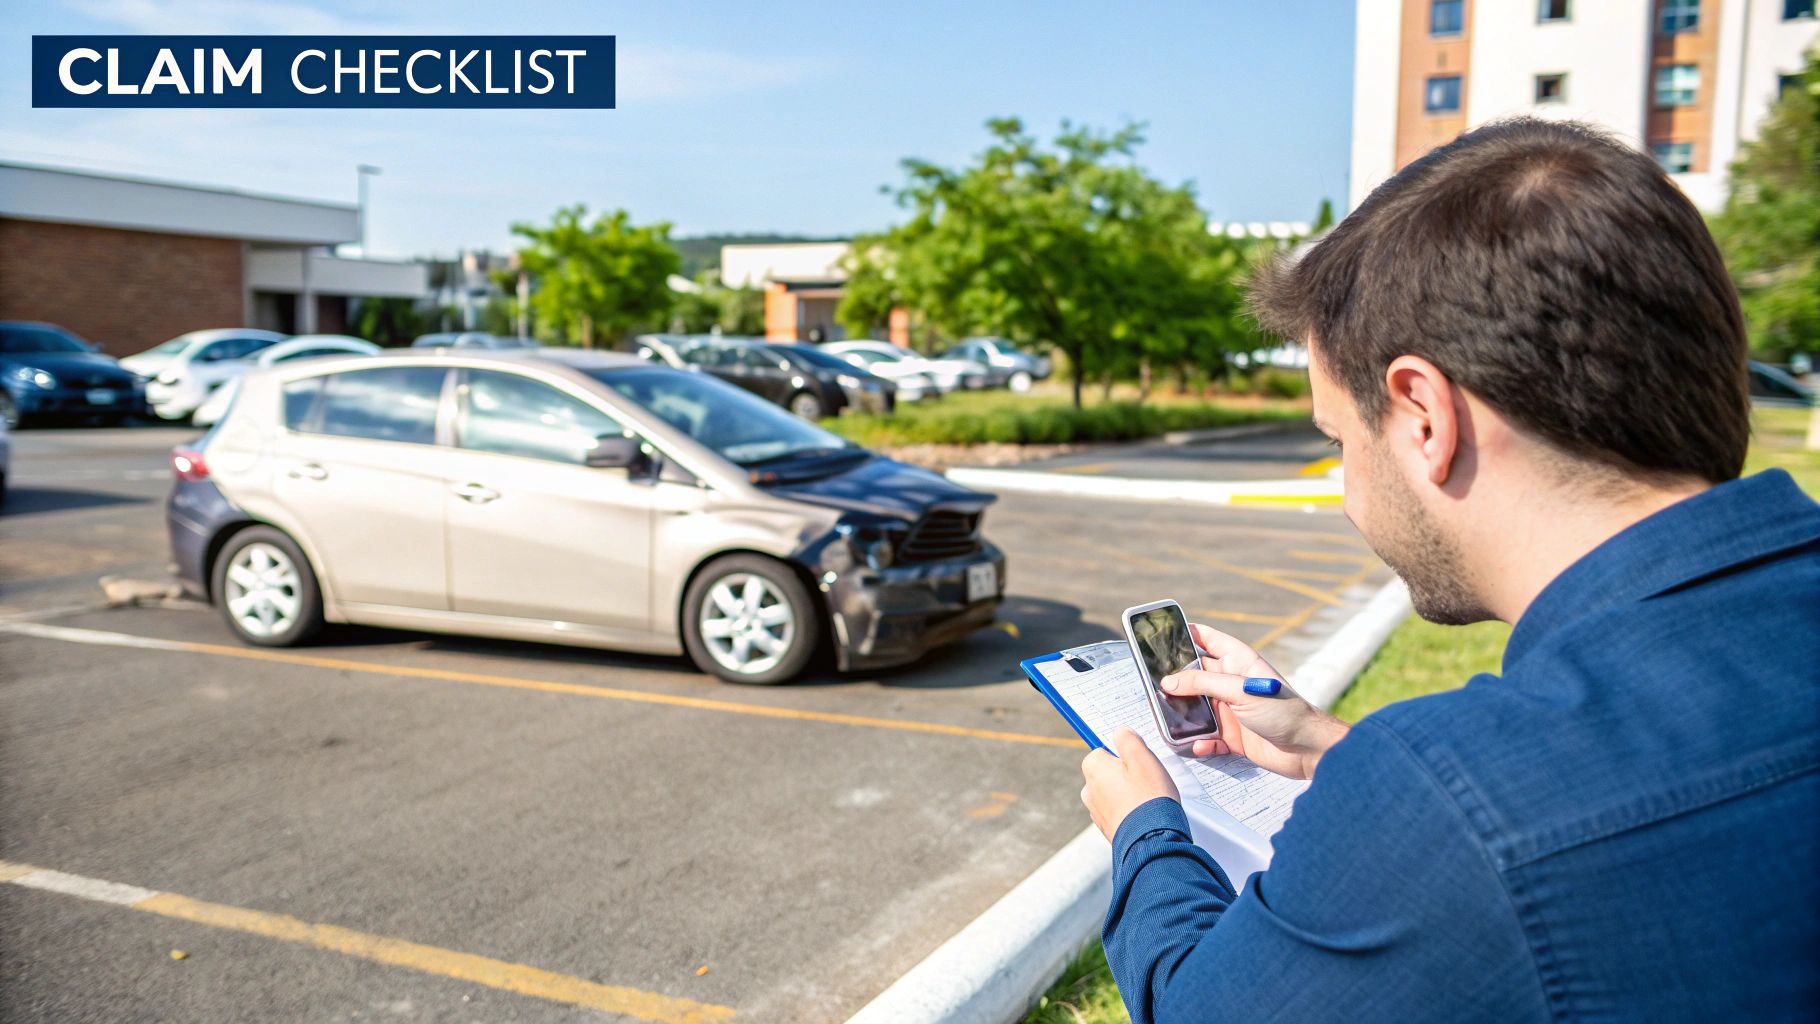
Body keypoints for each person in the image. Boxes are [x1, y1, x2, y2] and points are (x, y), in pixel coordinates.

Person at [1078, 117, 1819, 1022]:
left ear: (1424, 417)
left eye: (1339, 440)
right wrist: (1324, 747)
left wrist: (1148, 832)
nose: (1349, 486)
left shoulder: (1449, 798)